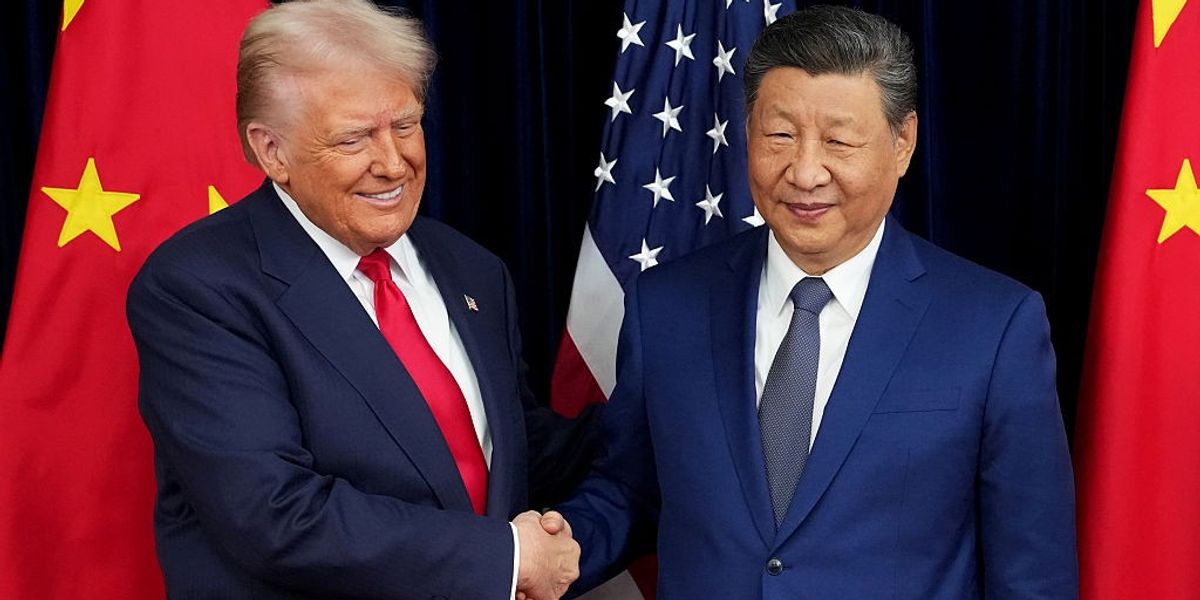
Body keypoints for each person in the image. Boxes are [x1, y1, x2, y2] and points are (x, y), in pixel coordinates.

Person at [551, 6, 1078, 598]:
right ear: (748, 133)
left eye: (838, 141)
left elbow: (1033, 574)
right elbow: (631, 489)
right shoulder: (666, 305)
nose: (804, 172)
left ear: (902, 143)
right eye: (780, 135)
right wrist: (555, 550)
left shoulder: (994, 326)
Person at [126, 1, 593, 598]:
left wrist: (667, 414)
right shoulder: (199, 286)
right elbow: (274, 514)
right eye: (354, 139)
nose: (393, 162)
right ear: (272, 152)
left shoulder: (470, 268)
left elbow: (506, 449)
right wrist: (506, 558)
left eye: (405, 125)